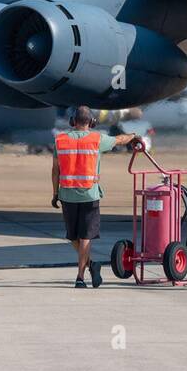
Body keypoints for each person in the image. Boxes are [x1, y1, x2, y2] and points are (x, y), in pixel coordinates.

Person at [51, 106, 137, 288]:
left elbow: (55, 170)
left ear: (72, 122)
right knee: (85, 238)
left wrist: (55, 193)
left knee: (73, 237)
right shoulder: (97, 139)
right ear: (91, 122)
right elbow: (120, 140)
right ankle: (84, 273)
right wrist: (133, 135)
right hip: (89, 195)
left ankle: (86, 269)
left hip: (67, 195)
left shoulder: (60, 140)